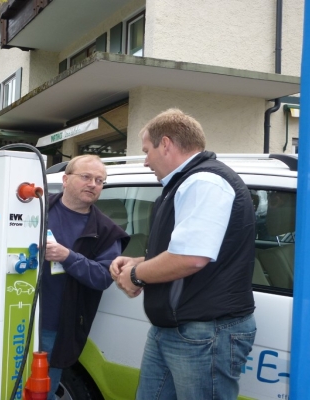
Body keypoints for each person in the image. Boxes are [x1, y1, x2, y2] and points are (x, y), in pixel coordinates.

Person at [110, 108, 257, 400]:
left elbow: (191, 258)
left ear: (165, 144)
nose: (144, 162)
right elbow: (185, 250)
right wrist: (141, 261)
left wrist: (136, 275)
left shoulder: (203, 182)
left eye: (146, 151)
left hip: (203, 332)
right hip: (181, 329)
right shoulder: (186, 183)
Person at [42, 155, 129, 399]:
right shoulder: (37, 209)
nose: (93, 184)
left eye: (100, 180)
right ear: (65, 179)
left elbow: (103, 276)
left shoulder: (106, 231)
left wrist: (67, 256)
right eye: (86, 177)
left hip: (55, 326)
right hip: (14, 317)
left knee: (43, 389)